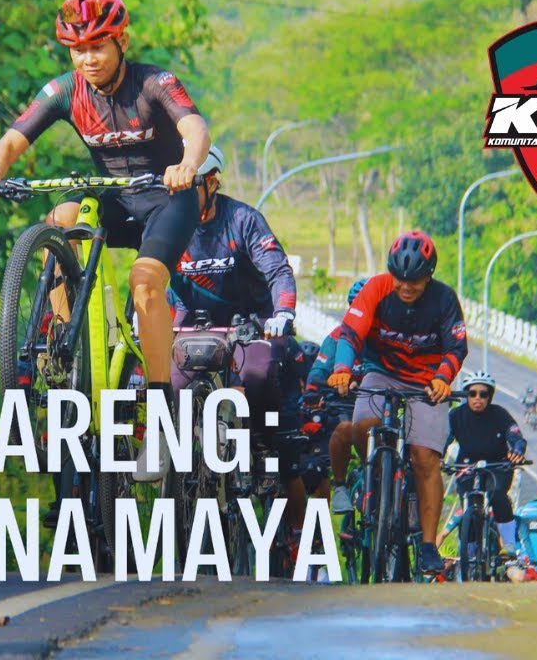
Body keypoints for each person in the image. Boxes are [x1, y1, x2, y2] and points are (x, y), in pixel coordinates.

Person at [0, 0, 210, 458]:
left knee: (145, 287)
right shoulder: (63, 91)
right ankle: (62, 334)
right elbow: (11, 141)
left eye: (98, 46)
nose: (88, 59)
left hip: (168, 196)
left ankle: (160, 409)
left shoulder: (155, 81)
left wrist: (189, 163)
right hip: (113, 198)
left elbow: (194, 129)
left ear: (122, 41)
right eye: (78, 50)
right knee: (59, 216)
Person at [305, 230, 468, 576]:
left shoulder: (443, 299)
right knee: (364, 426)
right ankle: (373, 483)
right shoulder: (376, 288)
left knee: (426, 459)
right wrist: (343, 370)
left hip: (427, 382)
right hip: (382, 372)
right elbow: (350, 333)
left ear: (430, 276)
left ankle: (426, 546)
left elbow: (457, 347)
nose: (406, 287)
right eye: (400, 279)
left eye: (416, 281)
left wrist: (443, 376)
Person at [165, 145, 305, 534]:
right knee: (170, 383)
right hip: (194, 326)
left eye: (189, 187)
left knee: (259, 375)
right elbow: (151, 278)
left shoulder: (243, 219)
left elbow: (278, 271)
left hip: (251, 325)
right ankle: (185, 466)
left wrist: (282, 314)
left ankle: (260, 445)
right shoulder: (168, 224)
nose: (178, 197)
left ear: (212, 183)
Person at [304, 276, 370, 514]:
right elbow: (318, 371)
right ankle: (341, 486)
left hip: (378, 402)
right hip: (345, 404)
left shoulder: (387, 337)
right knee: (345, 429)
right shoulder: (335, 337)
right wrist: (312, 393)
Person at [446, 371, 527, 556]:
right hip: (466, 467)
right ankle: (468, 555)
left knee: (498, 495)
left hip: (497, 466)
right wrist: (437, 458)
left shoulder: (500, 414)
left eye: (483, 394)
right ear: (466, 395)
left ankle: (508, 544)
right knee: (469, 506)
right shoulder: (455, 415)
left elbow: (517, 438)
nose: (478, 398)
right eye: (472, 393)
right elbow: (444, 440)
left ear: (489, 396)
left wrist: (517, 452)